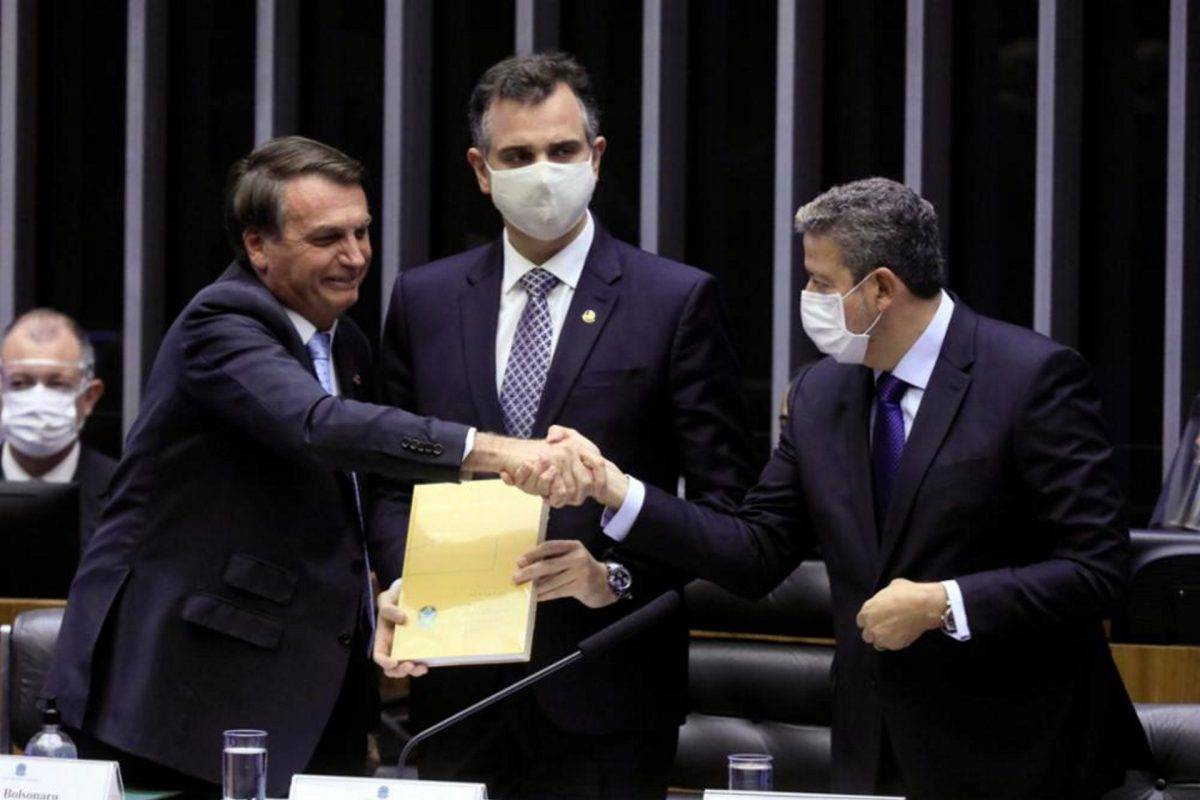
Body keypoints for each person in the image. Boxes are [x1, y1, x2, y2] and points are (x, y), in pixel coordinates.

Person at [510, 177, 1153, 798]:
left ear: (881, 289)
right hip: (874, 749)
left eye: (821, 282)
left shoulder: (1031, 378)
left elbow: (1098, 568)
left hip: (1022, 752)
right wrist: (618, 490)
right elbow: (754, 551)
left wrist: (945, 603)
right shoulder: (822, 393)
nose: (808, 297)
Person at [43, 135, 597, 796]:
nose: (356, 256)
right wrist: (497, 450)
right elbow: (317, 426)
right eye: (328, 238)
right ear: (258, 245)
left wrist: (396, 594)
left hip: (305, 688)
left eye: (362, 232)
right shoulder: (220, 323)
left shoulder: (347, 346)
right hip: (180, 696)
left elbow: (356, 497)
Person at [370, 52, 755, 800]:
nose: (543, 172)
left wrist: (615, 577)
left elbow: (726, 513)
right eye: (518, 156)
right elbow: (391, 481)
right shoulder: (424, 299)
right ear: (481, 170)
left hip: (606, 689)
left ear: (596, 157)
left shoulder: (674, 301)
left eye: (562, 150)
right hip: (454, 689)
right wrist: (405, 577)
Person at [0, 309, 115, 547]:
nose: (38, 401)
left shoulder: (124, 493)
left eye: (58, 384)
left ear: (89, 397)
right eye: (19, 383)